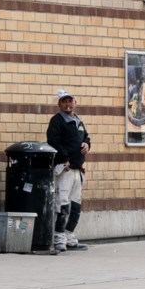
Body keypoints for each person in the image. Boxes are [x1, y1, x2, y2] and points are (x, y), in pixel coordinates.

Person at [45, 90, 91, 254]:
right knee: (62, 204)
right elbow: (53, 141)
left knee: (75, 205)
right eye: (64, 101)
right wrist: (65, 158)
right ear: (59, 104)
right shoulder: (57, 121)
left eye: (70, 101)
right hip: (65, 168)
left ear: (75, 103)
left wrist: (86, 144)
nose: (67, 104)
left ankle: (70, 237)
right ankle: (59, 239)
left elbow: (86, 137)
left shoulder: (78, 120)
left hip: (78, 169)